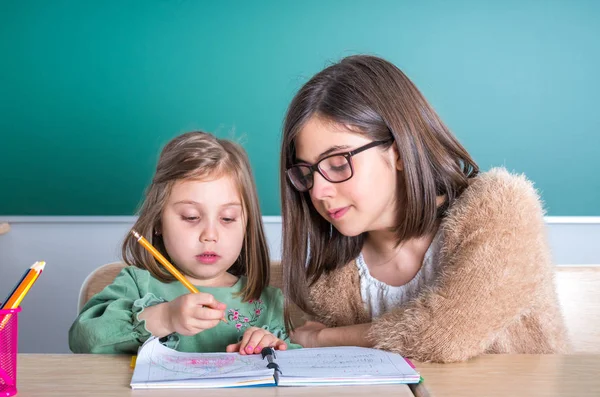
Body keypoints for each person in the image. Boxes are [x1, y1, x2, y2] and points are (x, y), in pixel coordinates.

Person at [279, 55, 568, 362]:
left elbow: (448, 333)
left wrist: (324, 338)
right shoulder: (334, 276)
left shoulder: (502, 210)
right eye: (307, 174)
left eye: (337, 164)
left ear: (400, 151)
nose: (318, 191)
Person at [70, 131, 297, 355]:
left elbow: (300, 365)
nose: (210, 234)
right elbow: (83, 338)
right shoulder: (138, 285)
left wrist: (272, 347)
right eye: (191, 217)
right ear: (158, 220)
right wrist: (165, 317)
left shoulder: (268, 302)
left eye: (227, 218)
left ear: (246, 226)